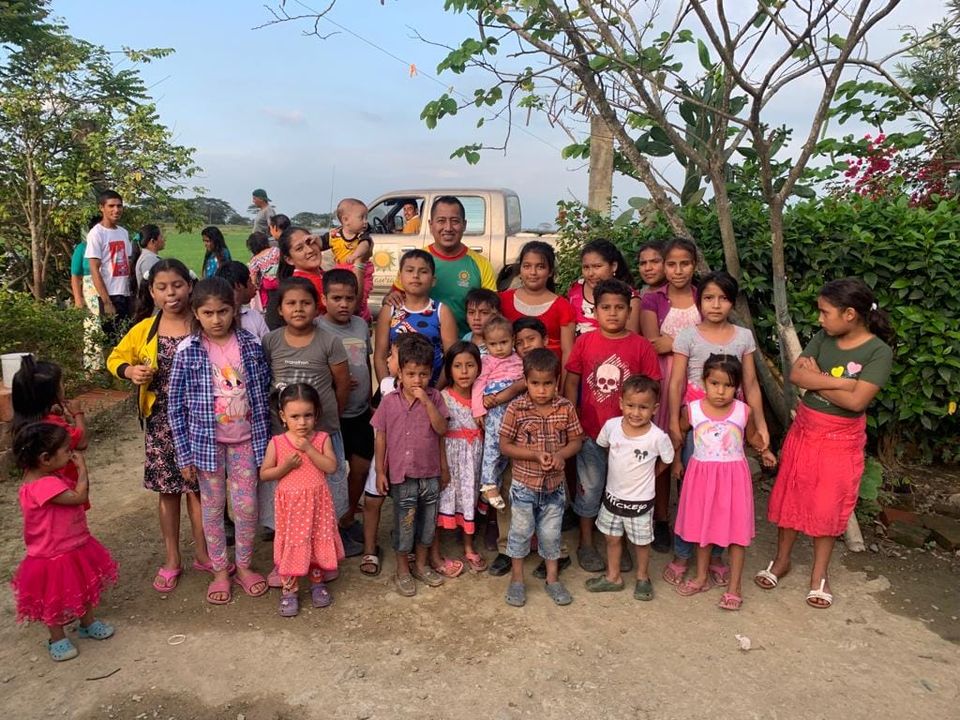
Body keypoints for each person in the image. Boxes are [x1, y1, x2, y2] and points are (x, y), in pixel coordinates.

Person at [759, 278, 894, 609]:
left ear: (849, 314)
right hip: (805, 430)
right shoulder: (823, 337)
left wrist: (817, 380)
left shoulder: (878, 352)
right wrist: (843, 383)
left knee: (827, 504)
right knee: (792, 494)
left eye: (825, 312)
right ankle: (782, 559)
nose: (819, 319)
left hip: (841, 439)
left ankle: (819, 574)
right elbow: (797, 376)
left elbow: (857, 402)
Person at [661, 271, 771, 587]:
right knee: (691, 493)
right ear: (699, 301)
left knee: (724, 495)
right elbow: (677, 382)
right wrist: (673, 422)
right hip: (696, 421)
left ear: (732, 303)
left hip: (731, 423)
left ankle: (717, 556)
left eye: (723, 298)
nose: (715, 304)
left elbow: (750, 383)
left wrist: (761, 425)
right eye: (709, 298)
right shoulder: (687, 335)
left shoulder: (743, 336)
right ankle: (683, 554)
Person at [108, 260, 211, 592]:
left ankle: (204, 553)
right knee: (168, 491)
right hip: (161, 422)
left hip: (200, 421)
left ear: (190, 286)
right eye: (162, 288)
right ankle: (171, 558)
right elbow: (115, 358)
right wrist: (131, 372)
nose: (171, 293)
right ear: (151, 292)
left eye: (177, 285)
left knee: (199, 489)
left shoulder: (203, 323)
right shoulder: (145, 329)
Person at [168, 277, 272, 605]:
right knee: (212, 510)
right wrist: (184, 455)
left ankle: (244, 566)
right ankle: (219, 571)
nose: (216, 320)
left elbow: (263, 392)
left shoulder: (251, 345)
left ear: (235, 310)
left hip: (246, 442)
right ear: (196, 313)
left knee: (247, 507)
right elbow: (175, 406)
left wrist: (267, 445)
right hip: (206, 446)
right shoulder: (187, 350)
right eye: (208, 313)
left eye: (223, 311)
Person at [564, 279, 660, 573]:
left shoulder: (641, 346)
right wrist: (573, 420)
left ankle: (620, 543)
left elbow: (652, 388)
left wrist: (645, 430)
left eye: (620, 307)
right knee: (590, 488)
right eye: (606, 307)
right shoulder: (585, 342)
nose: (613, 313)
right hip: (591, 432)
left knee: (622, 491)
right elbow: (572, 382)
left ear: (629, 310)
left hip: (629, 437)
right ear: (595, 311)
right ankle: (586, 542)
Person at [262, 278, 357, 556]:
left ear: (317, 307)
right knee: (288, 487)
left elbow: (342, 383)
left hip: (322, 430)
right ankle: (288, 540)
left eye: (305, 303)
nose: (298, 309)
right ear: (279, 309)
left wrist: (331, 416)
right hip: (284, 434)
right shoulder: (271, 341)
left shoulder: (329, 341)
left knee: (328, 487)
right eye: (291, 303)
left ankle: (327, 540)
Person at [673, 355, 776, 609]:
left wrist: (765, 451)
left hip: (734, 479)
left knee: (737, 534)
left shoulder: (743, 411)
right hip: (701, 478)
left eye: (728, 385)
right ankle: (701, 577)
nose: (720, 391)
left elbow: (752, 438)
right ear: (704, 382)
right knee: (703, 528)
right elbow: (679, 434)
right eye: (715, 383)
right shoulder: (692, 410)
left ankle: (734, 587)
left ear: (737, 387)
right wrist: (676, 461)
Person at [11, 423, 118, 662]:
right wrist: (82, 470)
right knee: (54, 599)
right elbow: (79, 497)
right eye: (66, 450)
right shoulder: (45, 485)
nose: (71, 453)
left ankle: (87, 623)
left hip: (71, 547)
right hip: (53, 554)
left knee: (83, 586)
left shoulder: (42, 476)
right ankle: (57, 638)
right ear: (45, 458)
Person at [500, 348, 583, 607]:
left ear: (557, 381)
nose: (542, 390)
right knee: (519, 532)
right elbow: (505, 445)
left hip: (554, 487)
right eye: (535, 383)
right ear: (526, 381)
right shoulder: (516, 408)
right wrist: (534, 455)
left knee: (551, 535)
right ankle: (517, 580)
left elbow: (576, 440)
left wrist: (561, 455)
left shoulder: (565, 408)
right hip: (524, 485)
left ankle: (552, 579)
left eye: (548, 383)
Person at [371, 336, 450, 597]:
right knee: (404, 523)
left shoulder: (435, 398)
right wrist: (380, 471)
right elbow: (380, 436)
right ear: (400, 373)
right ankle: (403, 569)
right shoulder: (389, 401)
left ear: (431, 373)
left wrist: (426, 402)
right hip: (401, 475)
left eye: (423, 374)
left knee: (428, 524)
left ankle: (422, 565)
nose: (417, 380)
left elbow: (442, 430)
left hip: (430, 473)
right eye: (411, 374)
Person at [585, 375, 675, 600]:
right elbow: (605, 446)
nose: (636, 412)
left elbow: (667, 459)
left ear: (654, 409)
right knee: (612, 538)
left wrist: (652, 474)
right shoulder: (611, 427)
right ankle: (613, 577)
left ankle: (643, 578)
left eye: (643, 407)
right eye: (630, 405)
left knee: (641, 543)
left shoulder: (658, 437)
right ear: (621, 403)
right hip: (612, 498)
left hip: (640, 502)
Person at [259, 383, 345, 617]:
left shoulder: (322, 439)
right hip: (291, 509)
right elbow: (265, 474)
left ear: (316, 414)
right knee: (292, 545)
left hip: (317, 506)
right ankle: (290, 589)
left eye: (308, 415)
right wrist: (285, 467)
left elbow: (331, 466)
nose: (302, 422)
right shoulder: (278, 442)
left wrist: (309, 449)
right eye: (295, 416)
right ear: (283, 416)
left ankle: (317, 582)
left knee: (315, 542)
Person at [640, 237, 701, 552]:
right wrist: (693, 343)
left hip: (700, 385)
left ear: (694, 265)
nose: (678, 270)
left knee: (692, 453)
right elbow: (654, 344)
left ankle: (690, 521)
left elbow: (712, 337)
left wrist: (674, 342)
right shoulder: (653, 299)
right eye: (672, 264)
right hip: (665, 383)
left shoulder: (704, 296)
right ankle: (661, 518)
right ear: (664, 266)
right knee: (663, 448)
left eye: (685, 264)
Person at [358, 334, 427, 577]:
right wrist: (379, 468)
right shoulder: (387, 385)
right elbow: (378, 421)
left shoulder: (425, 391)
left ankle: (405, 544)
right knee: (372, 501)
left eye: (393, 355)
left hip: (410, 459)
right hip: (384, 456)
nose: (387, 359)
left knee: (408, 503)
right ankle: (369, 549)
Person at [486, 316, 549, 577]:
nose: (525, 346)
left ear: (545, 340)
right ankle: (506, 549)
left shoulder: (548, 367)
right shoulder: (505, 364)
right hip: (510, 441)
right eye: (520, 342)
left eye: (530, 339)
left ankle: (554, 551)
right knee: (508, 491)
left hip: (542, 445)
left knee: (547, 497)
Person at [386, 196, 497, 336]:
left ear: (464, 225)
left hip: (464, 345)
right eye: (441, 221)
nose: (448, 228)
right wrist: (390, 298)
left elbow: (493, 312)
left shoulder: (481, 264)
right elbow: (392, 299)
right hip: (420, 345)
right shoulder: (416, 263)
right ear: (430, 225)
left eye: (455, 221)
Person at [318, 269, 373, 537]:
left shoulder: (361, 325)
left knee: (361, 467)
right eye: (336, 298)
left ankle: (348, 516)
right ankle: (329, 521)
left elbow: (367, 362)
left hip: (360, 412)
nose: (343, 304)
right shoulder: (318, 328)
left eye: (349, 298)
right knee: (333, 471)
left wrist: (371, 397)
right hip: (332, 414)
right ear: (324, 299)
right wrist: (334, 380)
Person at [432, 341, 484, 574]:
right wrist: (442, 466)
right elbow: (438, 436)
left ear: (479, 367)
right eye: (457, 366)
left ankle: (468, 546)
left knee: (469, 499)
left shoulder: (483, 398)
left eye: (470, 365)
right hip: (450, 461)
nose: (464, 372)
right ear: (449, 369)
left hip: (473, 461)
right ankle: (434, 549)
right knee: (444, 500)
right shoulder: (443, 398)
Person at [374, 249, 457, 386]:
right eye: (410, 270)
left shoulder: (442, 312)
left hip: (433, 389)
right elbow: (380, 357)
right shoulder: (389, 310)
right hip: (396, 391)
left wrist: (436, 392)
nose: (416, 276)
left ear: (433, 280)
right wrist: (387, 389)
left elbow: (451, 358)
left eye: (423, 271)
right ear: (400, 277)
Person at [473, 316, 525, 510]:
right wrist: (479, 409)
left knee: (508, 449)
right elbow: (478, 384)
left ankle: (492, 486)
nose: (499, 348)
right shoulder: (486, 361)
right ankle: (488, 483)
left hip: (517, 407)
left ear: (512, 339)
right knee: (494, 445)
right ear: (486, 344)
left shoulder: (519, 358)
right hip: (496, 407)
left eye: (503, 342)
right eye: (493, 344)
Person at [12, 356, 87, 488]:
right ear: (52, 393)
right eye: (61, 384)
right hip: (64, 485)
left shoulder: (27, 422)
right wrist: (78, 414)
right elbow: (81, 442)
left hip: (46, 487)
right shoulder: (52, 424)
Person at [499, 241, 575, 367]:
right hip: (507, 374)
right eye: (527, 266)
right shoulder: (502, 300)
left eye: (540, 267)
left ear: (550, 271)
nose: (533, 272)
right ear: (520, 269)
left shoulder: (563, 306)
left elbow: (568, 352)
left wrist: (564, 380)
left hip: (550, 376)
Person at [85, 189, 132, 341]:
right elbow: (94, 269)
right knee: (112, 340)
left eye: (119, 206)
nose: (116, 210)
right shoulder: (96, 233)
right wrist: (106, 302)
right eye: (111, 206)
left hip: (125, 293)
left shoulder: (123, 232)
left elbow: (128, 262)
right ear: (102, 208)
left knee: (128, 339)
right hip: (110, 295)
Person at [567, 239, 642, 335]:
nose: (590, 273)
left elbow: (630, 339)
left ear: (613, 266)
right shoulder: (576, 289)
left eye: (597, 266)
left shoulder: (629, 297)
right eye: (586, 267)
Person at [321, 198, 374, 322]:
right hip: (342, 270)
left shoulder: (362, 235)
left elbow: (365, 245)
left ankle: (361, 314)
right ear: (345, 220)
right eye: (362, 218)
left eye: (366, 218)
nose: (365, 222)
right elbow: (321, 242)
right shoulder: (334, 235)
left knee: (359, 296)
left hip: (361, 271)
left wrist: (356, 255)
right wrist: (312, 239)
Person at [71, 215, 104, 370]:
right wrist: (78, 299)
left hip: (109, 290)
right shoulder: (82, 248)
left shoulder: (109, 247)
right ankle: (93, 368)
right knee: (93, 328)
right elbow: (75, 275)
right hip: (90, 291)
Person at [276, 226, 327, 315]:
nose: (310, 250)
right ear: (289, 259)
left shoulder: (324, 275)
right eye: (299, 248)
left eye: (310, 242)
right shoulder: (300, 286)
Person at [216, 261, 269, 341]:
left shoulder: (254, 316)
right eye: (250, 282)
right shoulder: (253, 317)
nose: (255, 287)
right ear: (238, 285)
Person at [246, 230, 280, 317]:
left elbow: (253, 278)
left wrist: (255, 285)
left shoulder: (255, 259)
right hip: (279, 280)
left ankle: (265, 307)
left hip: (268, 284)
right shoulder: (275, 250)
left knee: (262, 290)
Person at [462, 288, 500, 355]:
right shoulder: (466, 339)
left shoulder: (500, 342)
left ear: (495, 316)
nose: (476, 318)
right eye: (471, 312)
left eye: (484, 313)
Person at [133, 224, 165, 290]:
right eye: (161, 237)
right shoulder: (149, 260)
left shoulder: (149, 257)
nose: (163, 239)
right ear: (153, 241)